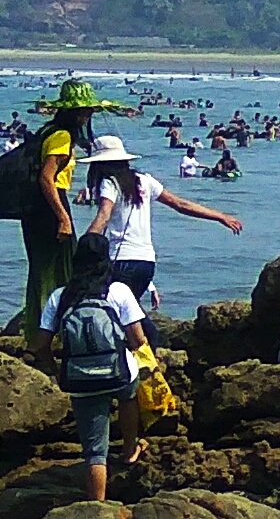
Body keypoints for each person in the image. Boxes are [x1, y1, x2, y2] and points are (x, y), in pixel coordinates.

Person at [83, 135, 243, 343]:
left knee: (115, 313)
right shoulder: (144, 180)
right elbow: (180, 204)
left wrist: (86, 245)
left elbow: (104, 215)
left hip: (120, 261)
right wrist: (220, 216)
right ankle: (149, 348)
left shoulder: (109, 183)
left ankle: (151, 346)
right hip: (146, 263)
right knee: (129, 313)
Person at [30, 232, 150, 501]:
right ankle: (129, 449)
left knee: (95, 452)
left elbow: (40, 345)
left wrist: (57, 371)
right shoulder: (118, 291)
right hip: (118, 374)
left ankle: (97, 506)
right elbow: (138, 339)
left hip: (80, 379)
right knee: (129, 391)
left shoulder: (60, 296)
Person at [18, 77, 126, 336]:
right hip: (50, 205)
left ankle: (40, 328)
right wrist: (64, 218)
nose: (88, 116)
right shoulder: (62, 137)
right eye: (85, 111)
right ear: (76, 113)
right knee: (58, 269)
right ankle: (45, 331)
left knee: (44, 269)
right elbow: (47, 178)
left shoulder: (47, 131)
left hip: (38, 207)